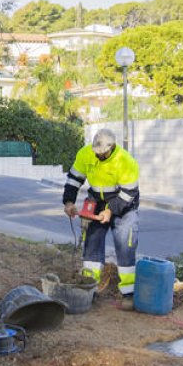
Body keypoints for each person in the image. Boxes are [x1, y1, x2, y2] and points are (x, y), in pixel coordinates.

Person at [62, 128, 141, 310]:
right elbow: (74, 179)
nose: (98, 156)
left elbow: (129, 193)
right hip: (96, 200)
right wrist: (68, 202)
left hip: (124, 205)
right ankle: (90, 288)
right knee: (92, 245)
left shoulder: (126, 161)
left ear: (112, 147)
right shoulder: (85, 154)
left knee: (125, 246)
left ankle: (128, 293)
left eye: (102, 153)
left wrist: (110, 211)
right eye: (96, 152)